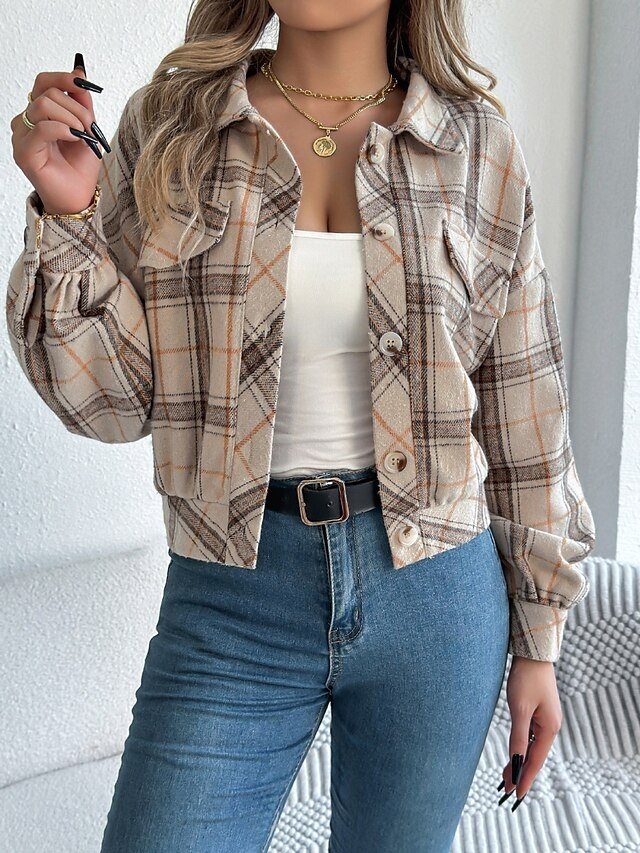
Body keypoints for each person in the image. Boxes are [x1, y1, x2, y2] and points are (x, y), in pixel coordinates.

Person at [7, 1, 597, 850]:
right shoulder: (172, 128)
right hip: (230, 600)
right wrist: (67, 216)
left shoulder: (476, 144)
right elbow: (115, 401)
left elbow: (525, 407)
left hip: (437, 598)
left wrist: (539, 644)